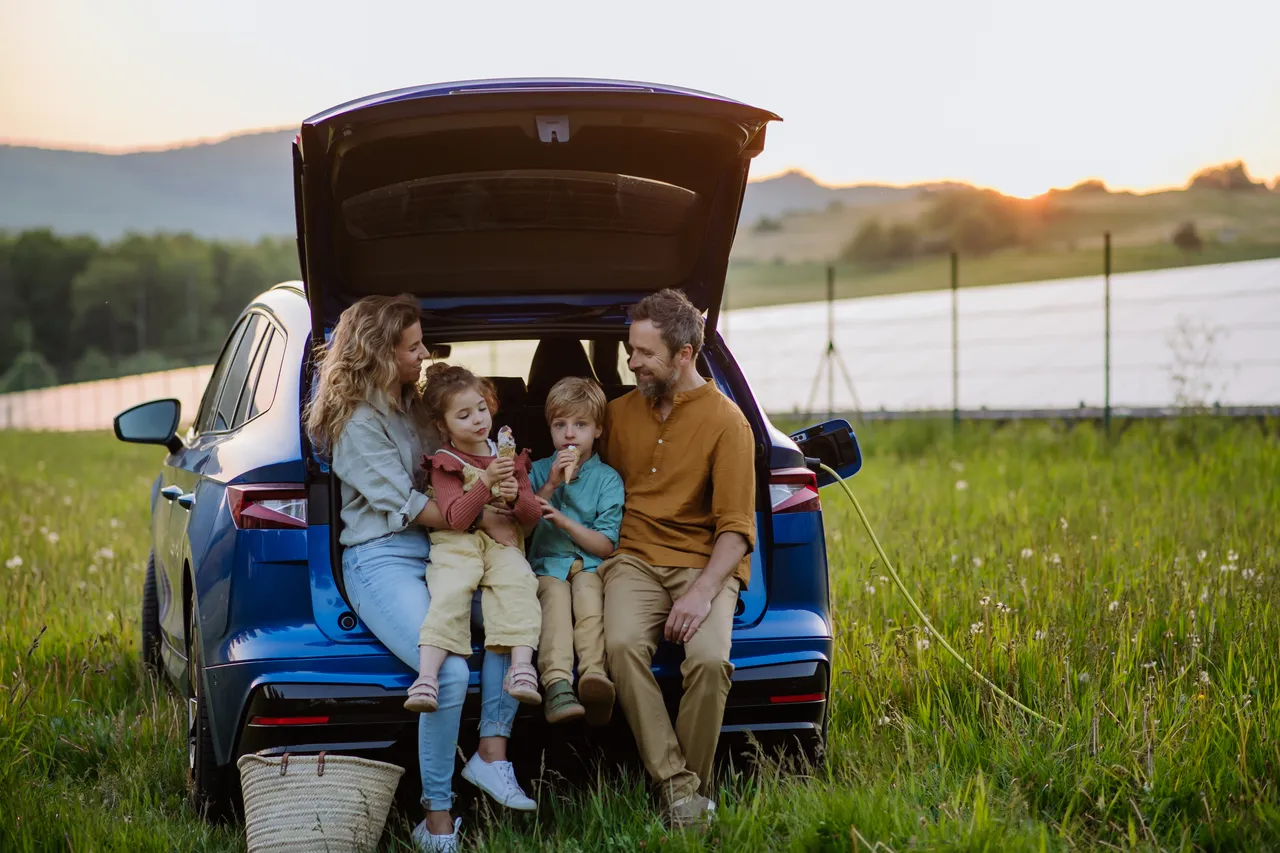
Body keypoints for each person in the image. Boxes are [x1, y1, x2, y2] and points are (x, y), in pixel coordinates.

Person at [305, 295, 535, 853]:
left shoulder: (415, 405)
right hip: (382, 557)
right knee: (451, 674)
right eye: (412, 347)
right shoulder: (357, 425)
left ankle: (490, 756)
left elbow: (458, 473)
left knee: (517, 613)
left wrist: (511, 499)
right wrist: (491, 514)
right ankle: (437, 823)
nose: (424, 354)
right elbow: (427, 507)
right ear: (382, 353)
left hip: (448, 547)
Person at [598, 288, 756, 829]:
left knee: (710, 661)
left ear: (684, 354)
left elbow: (737, 527)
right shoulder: (616, 415)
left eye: (643, 353)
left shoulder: (728, 423)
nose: (631, 362)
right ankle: (680, 789)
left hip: (703, 562)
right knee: (620, 645)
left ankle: (687, 798)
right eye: (629, 349)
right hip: (634, 559)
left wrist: (703, 590)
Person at [411, 363, 543, 713]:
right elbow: (455, 517)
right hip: (458, 542)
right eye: (464, 415)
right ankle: (427, 678)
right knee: (451, 588)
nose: (478, 420)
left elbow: (531, 518)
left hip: (503, 543)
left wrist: (517, 497)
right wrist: (485, 482)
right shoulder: (445, 462)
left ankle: (522, 667)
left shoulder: (508, 457)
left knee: (520, 583)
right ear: (443, 425)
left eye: (482, 409)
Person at [528, 377, 624, 725]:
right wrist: (550, 485)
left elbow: (606, 544)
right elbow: (521, 527)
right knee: (553, 600)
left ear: (597, 430)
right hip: (546, 566)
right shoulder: (538, 470)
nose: (570, 434)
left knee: (588, 598)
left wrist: (565, 522)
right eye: (560, 425)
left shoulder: (608, 479)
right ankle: (556, 684)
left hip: (589, 564)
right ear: (550, 430)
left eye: (580, 425)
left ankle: (595, 676)